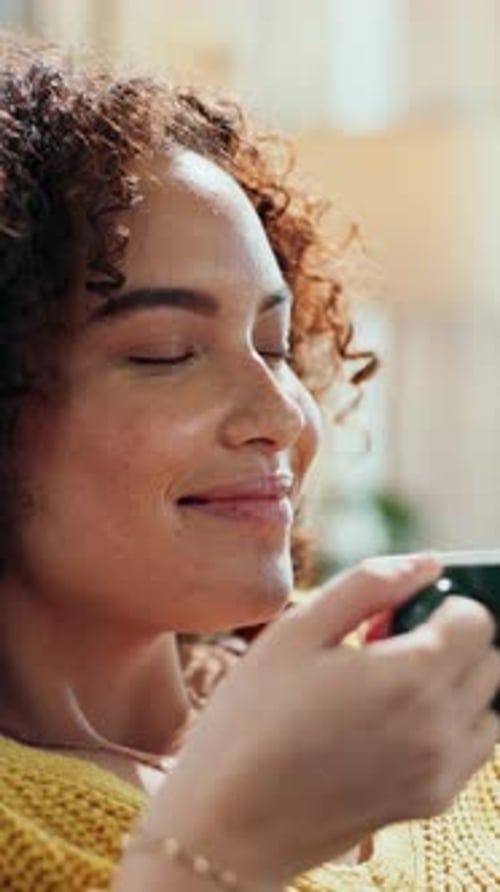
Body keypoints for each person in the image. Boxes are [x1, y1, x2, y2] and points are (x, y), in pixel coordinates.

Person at [0, 32, 498, 892]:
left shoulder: (416, 696)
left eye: (273, 345)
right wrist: (215, 856)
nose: (281, 415)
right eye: (164, 352)